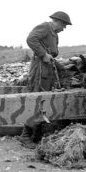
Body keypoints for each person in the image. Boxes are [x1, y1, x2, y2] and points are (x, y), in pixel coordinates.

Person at [17, 11, 72, 148]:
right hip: (40, 68)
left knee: (43, 101)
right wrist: (43, 54)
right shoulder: (45, 27)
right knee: (36, 99)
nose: (64, 29)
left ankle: (35, 134)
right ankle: (25, 136)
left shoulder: (55, 35)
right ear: (58, 22)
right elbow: (31, 39)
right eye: (64, 25)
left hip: (47, 68)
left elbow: (51, 55)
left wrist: (60, 66)